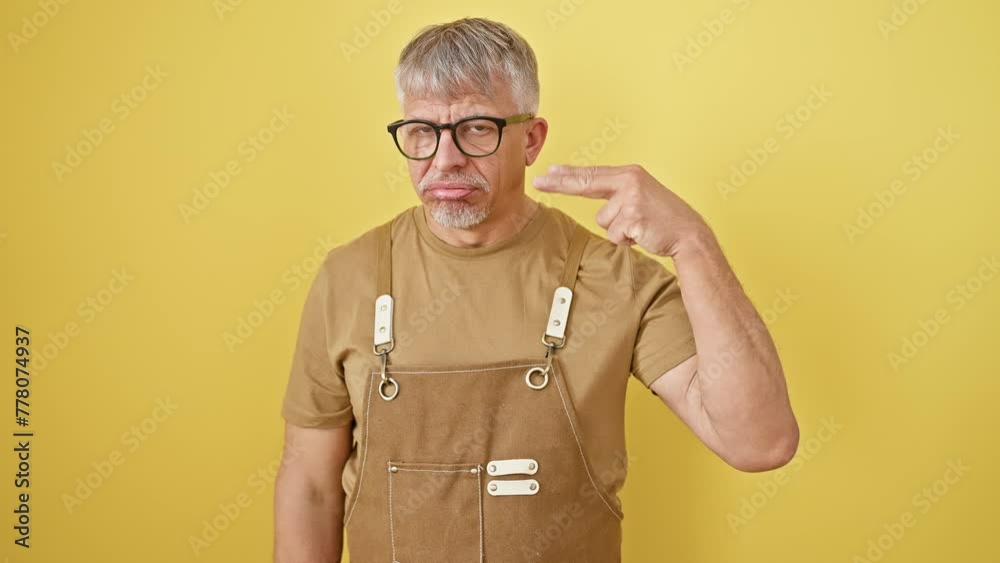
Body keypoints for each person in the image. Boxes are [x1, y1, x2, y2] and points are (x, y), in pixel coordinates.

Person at [273, 17, 798, 563]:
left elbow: (760, 443)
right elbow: (310, 487)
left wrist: (694, 243)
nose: (445, 158)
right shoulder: (348, 278)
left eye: (477, 127)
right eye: (422, 132)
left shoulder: (616, 279)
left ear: (531, 138)